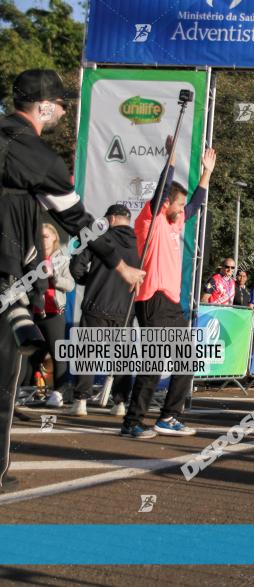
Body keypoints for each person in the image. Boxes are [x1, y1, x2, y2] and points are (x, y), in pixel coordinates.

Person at [0, 69, 144, 489]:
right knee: (4, 374)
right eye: (61, 102)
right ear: (44, 106)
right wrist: (120, 264)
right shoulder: (38, 157)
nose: (64, 109)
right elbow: (80, 221)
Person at [121, 144, 216, 439]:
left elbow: (197, 203)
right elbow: (163, 190)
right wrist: (171, 160)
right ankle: (132, 422)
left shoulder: (176, 222)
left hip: (171, 302)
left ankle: (168, 417)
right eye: (177, 205)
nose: (181, 210)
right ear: (165, 204)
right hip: (152, 298)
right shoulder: (152, 221)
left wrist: (206, 173)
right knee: (154, 362)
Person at [68, 205, 139, 417]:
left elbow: (76, 267)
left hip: (96, 304)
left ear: (113, 218)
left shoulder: (99, 237)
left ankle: (80, 401)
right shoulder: (140, 242)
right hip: (125, 308)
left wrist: (91, 282)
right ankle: (120, 403)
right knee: (122, 358)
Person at [26, 223, 74, 408]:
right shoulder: (31, 256)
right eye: (40, 236)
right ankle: (28, 389)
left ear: (54, 237)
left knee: (57, 353)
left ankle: (58, 392)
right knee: (30, 353)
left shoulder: (61, 258)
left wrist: (54, 276)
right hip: (33, 311)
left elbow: (69, 285)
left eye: (46, 236)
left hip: (53, 312)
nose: (42, 240)